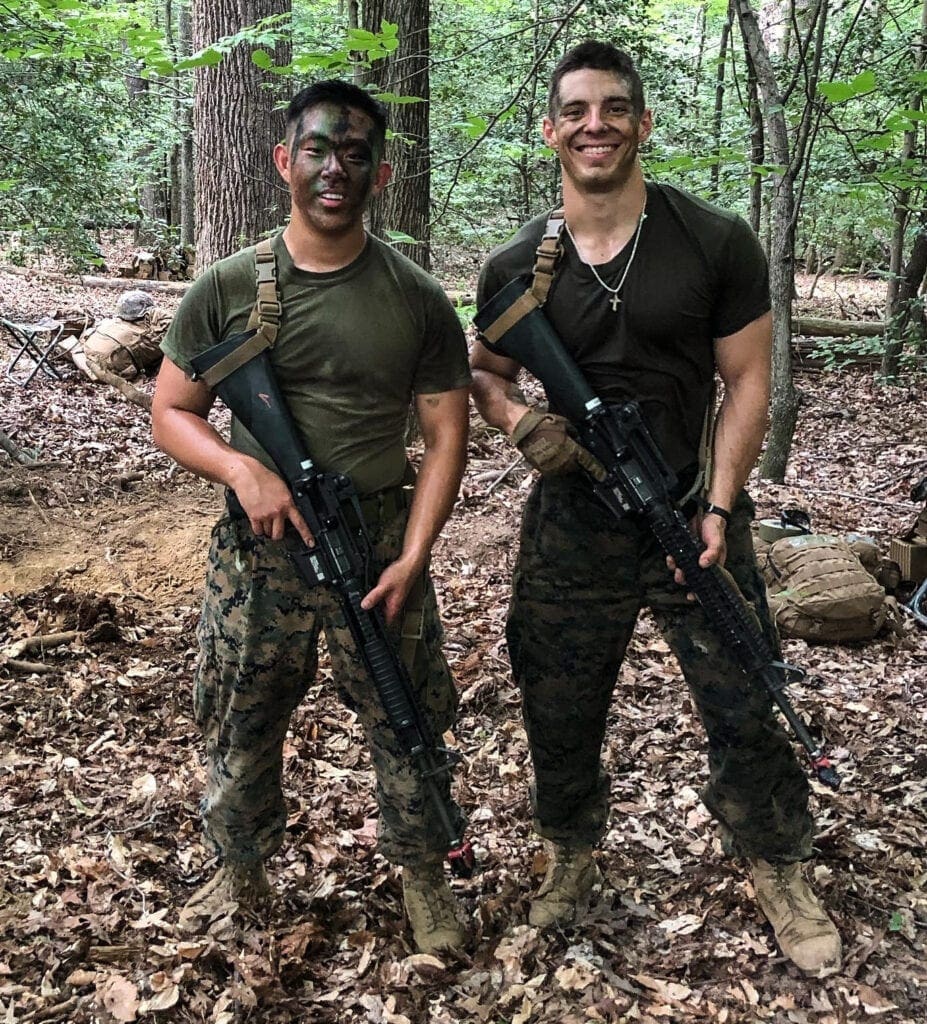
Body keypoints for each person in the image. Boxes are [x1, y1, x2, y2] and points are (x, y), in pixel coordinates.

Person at [470, 40, 842, 975]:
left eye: (612, 108)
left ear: (641, 123)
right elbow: (485, 372)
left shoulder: (712, 240)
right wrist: (520, 423)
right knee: (555, 699)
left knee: (745, 690)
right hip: (573, 520)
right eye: (575, 111)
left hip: (687, 509)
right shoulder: (517, 264)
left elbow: (747, 381)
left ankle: (775, 860)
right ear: (550, 129)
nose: (593, 125)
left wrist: (718, 503)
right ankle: (569, 852)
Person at [151, 79, 471, 955]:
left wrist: (413, 555)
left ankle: (423, 876)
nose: (336, 169)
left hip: (375, 541)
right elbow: (171, 410)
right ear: (283, 161)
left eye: (356, 154)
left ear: (381, 174)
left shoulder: (416, 297)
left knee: (406, 712)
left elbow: (446, 437)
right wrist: (240, 470)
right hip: (260, 549)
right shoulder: (227, 286)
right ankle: (239, 868)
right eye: (319, 150)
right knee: (242, 711)